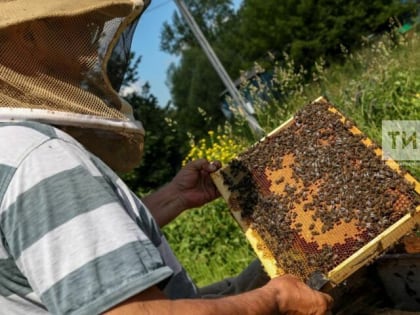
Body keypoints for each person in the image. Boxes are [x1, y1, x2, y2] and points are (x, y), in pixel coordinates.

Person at [0, 0, 333, 314]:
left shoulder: (9, 147)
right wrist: (272, 299)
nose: (94, 34)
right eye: (79, 21)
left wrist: (172, 198)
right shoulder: (40, 156)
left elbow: (65, 248)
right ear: (30, 36)